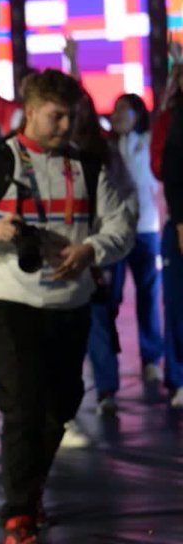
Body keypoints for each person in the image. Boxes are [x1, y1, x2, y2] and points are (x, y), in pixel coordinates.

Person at [0, 69, 134, 544]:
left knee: (62, 402)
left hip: (72, 300)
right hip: (9, 296)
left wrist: (91, 251)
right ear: (31, 108)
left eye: (72, 116)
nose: (67, 125)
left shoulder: (88, 168)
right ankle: (18, 511)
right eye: (57, 116)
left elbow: (122, 225)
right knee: (22, 402)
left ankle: (32, 489)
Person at [86, 92, 159, 414]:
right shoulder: (106, 144)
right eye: (113, 110)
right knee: (108, 301)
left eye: (123, 110)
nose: (116, 115)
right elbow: (86, 103)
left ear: (138, 115)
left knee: (148, 296)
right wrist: (73, 63)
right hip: (114, 235)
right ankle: (107, 382)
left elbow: (170, 106)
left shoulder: (149, 138)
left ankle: (150, 360)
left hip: (146, 231)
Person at [151, 59, 183, 410]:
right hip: (180, 224)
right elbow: (164, 169)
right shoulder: (170, 120)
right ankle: (178, 379)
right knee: (177, 306)